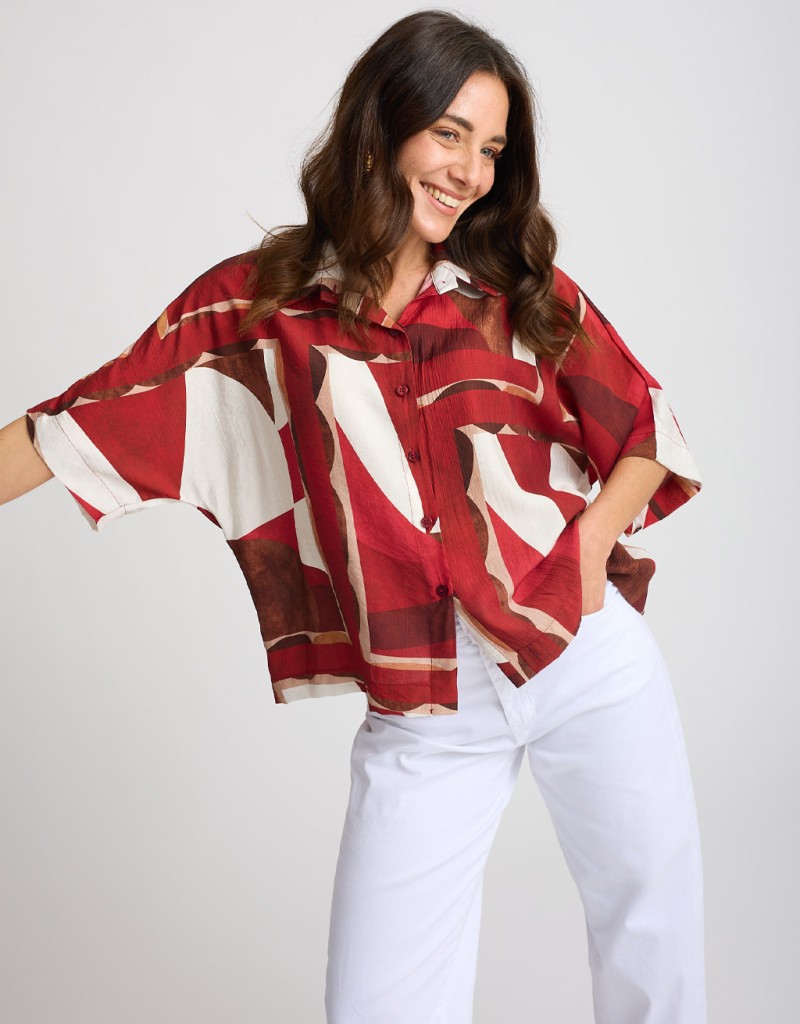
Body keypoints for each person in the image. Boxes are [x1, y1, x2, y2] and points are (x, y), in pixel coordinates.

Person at [0, 10, 706, 1023]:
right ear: (383, 126)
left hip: (583, 660)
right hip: (424, 706)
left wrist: (591, 543)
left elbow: (644, 428)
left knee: (652, 942)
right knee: (378, 1004)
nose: (469, 171)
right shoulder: (265, 304)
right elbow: (81, 418)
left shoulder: (514, 290)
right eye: (449, 134)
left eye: (491, 148)